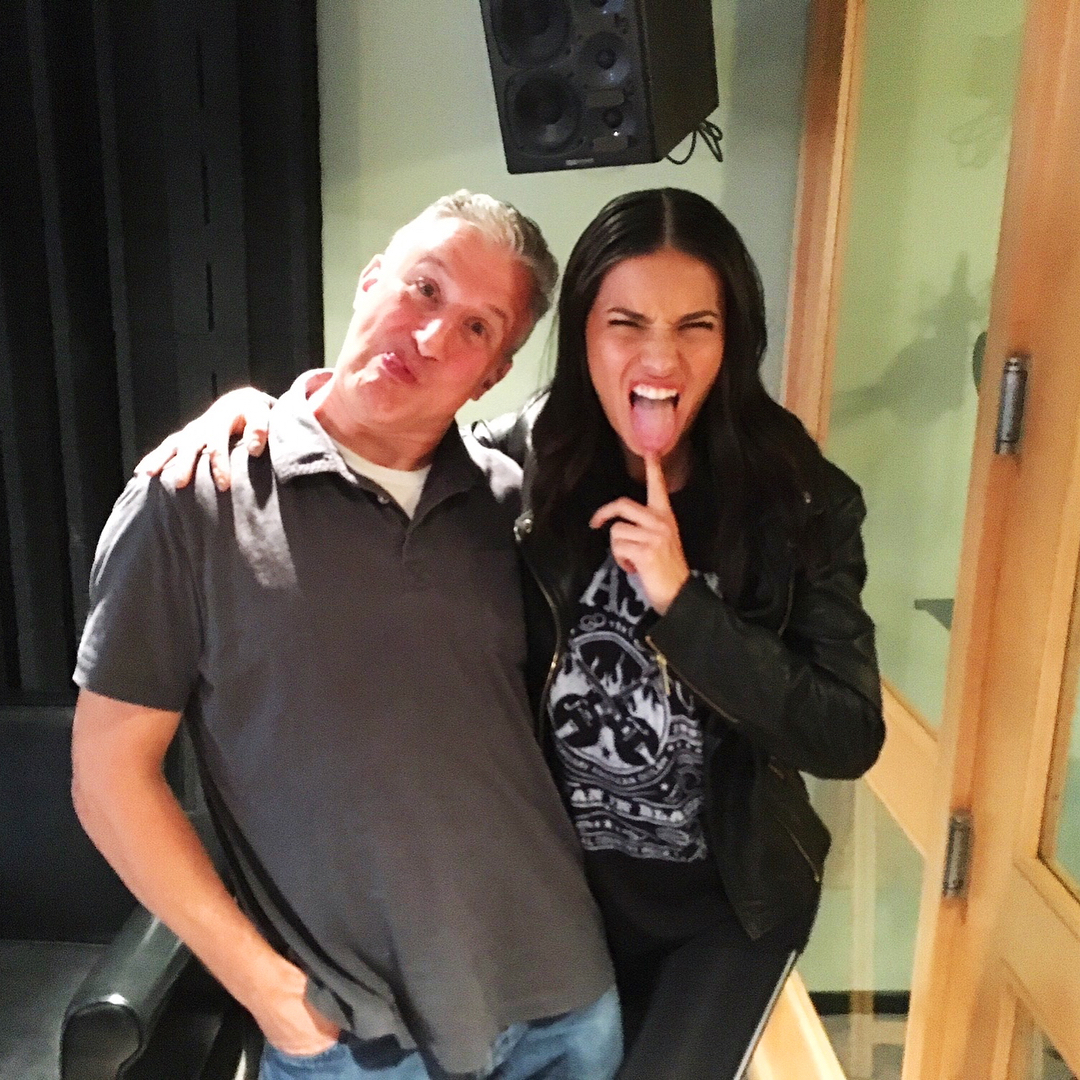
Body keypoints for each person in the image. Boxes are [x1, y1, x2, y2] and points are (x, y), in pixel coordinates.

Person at [142, 188, 885, 1079]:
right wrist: (258, 412)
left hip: (725, 907)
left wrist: (685, 605)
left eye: (697, 325)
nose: (659, 356)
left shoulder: (799, 500)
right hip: (563, 904)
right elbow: (388, 437)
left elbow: (845, 733)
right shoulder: (527, 464)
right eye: (625, 323)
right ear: (582, 337)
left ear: (733, 340)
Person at [71, 191, 622, 1080]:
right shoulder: (196, 498)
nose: (432, 335)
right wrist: (264, 989)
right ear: (371, 281)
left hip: (565, 999)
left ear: (492, 375)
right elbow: (107, 779)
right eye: (424, 288)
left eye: (476, 328)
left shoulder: (513, 506)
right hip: (357, 1039)